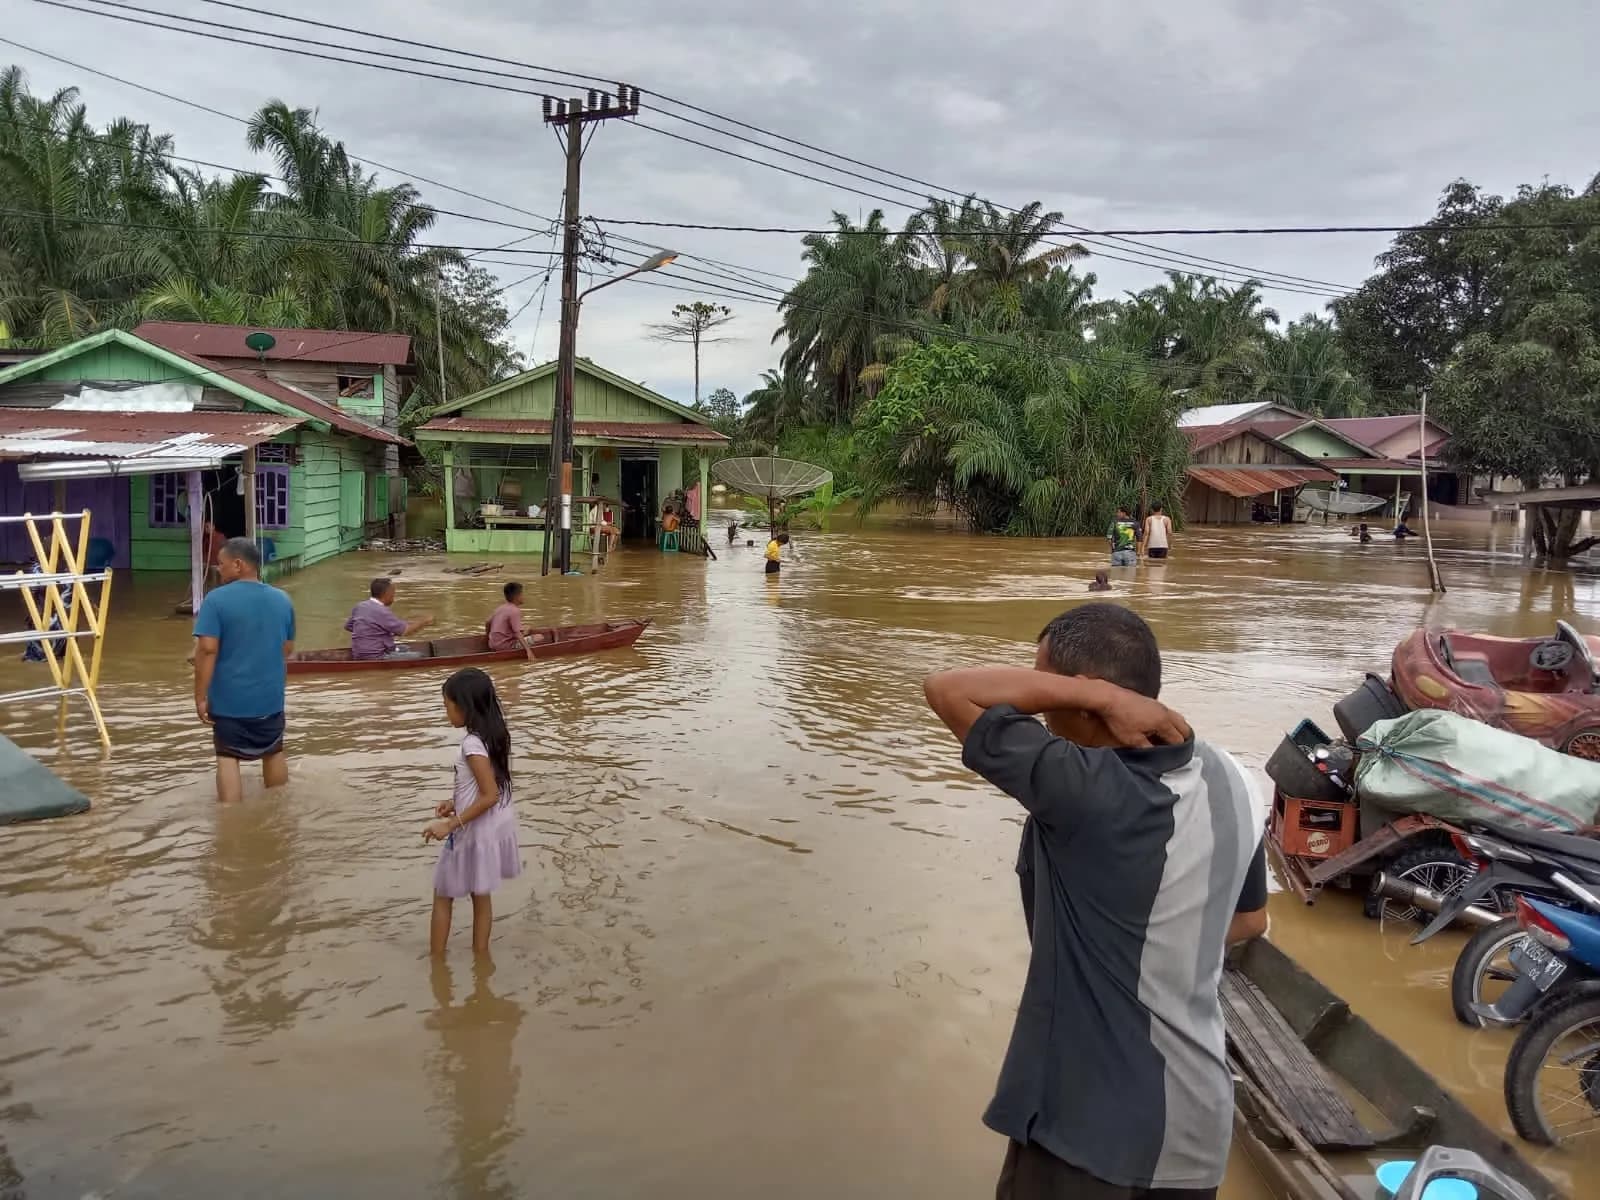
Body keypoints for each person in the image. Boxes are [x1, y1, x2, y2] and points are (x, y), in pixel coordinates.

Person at [922, 603, 1267, 1200]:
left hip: (1086, 1132)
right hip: (1198, 1129)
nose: (1042, 708)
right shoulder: (1234, 778)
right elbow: (1250, 921)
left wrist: (1098, 698)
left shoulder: (1085, 789)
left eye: (1047, 684)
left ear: (1084, 697)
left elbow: (948, 689)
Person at [422, 667, 522, 955]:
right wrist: (454, 802)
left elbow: (489, 795)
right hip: (487, 832)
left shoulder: (471, 744)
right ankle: (481, 960)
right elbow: (490, 786)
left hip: (471, 832)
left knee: (442, 897)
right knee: (481, 896)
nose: (446, 713)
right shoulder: (494, 736)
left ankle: (436, 964)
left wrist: (451, 823)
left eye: (447, 706)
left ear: (464, 707)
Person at [192, 537, 296, 803]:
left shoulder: (215, 600)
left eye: (221, 564)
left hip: (230, 700)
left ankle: (230, 822)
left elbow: (206, 649)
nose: (219, 569)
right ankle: (279, 810)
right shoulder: (283, 599)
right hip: (270, 698)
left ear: (238, 565)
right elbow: (286, 648)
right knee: (273, 751)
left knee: (228, 757)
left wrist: (200, 697)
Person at [346, 577, 432, 660]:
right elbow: (405, 631)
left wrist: (373, 632)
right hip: (377, 656)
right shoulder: (382, 611)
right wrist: (424, 621)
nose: (394, 596)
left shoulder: (360, 606)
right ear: (387, 594)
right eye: (393, 593)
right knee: (420, 656)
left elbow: (349, 626)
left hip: (357, 653)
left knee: (405, 648)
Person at [486, 581, 536, 661]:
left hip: (492, 644)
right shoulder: (515, 611)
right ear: (517, 596)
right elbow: (517, 633)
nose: (523, 597)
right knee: (540, 637)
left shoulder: (500, 608)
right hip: (505, 646)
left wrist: (488, 637)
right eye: (522, 594)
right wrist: (529, 651)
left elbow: (487, 622)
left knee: (527, 627)